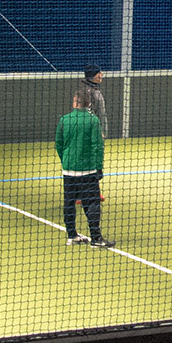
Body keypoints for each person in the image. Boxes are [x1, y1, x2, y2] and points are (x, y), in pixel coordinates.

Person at [55, 89, 109, 247]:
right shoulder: (93, 121)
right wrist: (98, 167)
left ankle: (72, 235)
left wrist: (66, 159)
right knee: (92, 202)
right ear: (89, 104)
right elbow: (97, 146)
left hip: (68, 170)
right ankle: (96, 238)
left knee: (69, 202)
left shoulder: (64, 120)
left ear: (74, 103)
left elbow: (59, 144)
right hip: (88, 170)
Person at [81, 65, 112, 139]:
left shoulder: (94, 89)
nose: (102, 74)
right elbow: (87, 113)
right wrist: (97, 131)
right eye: (99, 73)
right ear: (92, 76)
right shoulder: (87, 91)